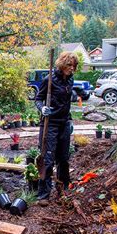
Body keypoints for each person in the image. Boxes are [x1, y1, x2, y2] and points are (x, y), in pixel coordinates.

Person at [35, 51, 78, 202]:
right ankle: (43, 194)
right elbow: (38, 99)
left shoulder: (70, 80)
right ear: (62, 64)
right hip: (50, 123)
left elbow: (67, 102)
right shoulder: (50, 79)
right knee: (48, 158)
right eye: (69, 65)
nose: (72, 68)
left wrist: (70, 120)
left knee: (64, 158)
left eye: (74, 65)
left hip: (64, 122)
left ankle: (62, 188)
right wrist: (42, 109)